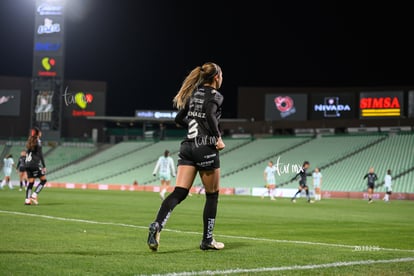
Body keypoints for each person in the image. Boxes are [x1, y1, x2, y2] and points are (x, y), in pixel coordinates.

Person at [147, 62, 225, 251]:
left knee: (179, 192)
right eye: (221, 75)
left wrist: (195, 127)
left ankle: (157, 225)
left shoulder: (194, 94)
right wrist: (217, 137)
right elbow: (210, 114)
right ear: (216, 77)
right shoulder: (216, 96)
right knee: (212, 196)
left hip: (188, 146)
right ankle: (207, 240)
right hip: (205, 147)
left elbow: (178, 119)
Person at [24, 127, 47, 205]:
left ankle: (27, 200)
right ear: (38, 133)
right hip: (34, 164)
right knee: (43, 180)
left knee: (31, 182)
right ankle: (34, 195)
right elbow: (40, 154)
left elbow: (27, 153)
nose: (41, 133)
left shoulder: (30, 141)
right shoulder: (38, 141)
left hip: (27, 164)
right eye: (40, 132)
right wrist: (44, 166)